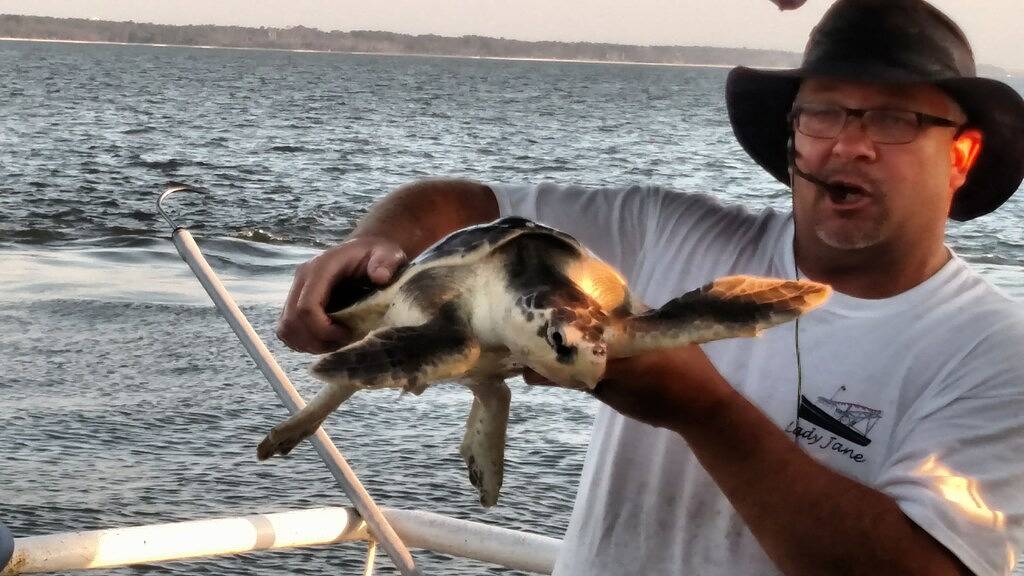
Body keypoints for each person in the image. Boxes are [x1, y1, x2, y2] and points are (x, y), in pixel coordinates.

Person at [277, 1, 1024, 574]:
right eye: (824, 111)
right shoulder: (669, 230)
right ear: (794, 136)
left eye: (893, 119)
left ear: (960, 155)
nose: (848, 143)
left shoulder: (995, 353)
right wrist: (374, 242)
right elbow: (462, 203)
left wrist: (706, 414)